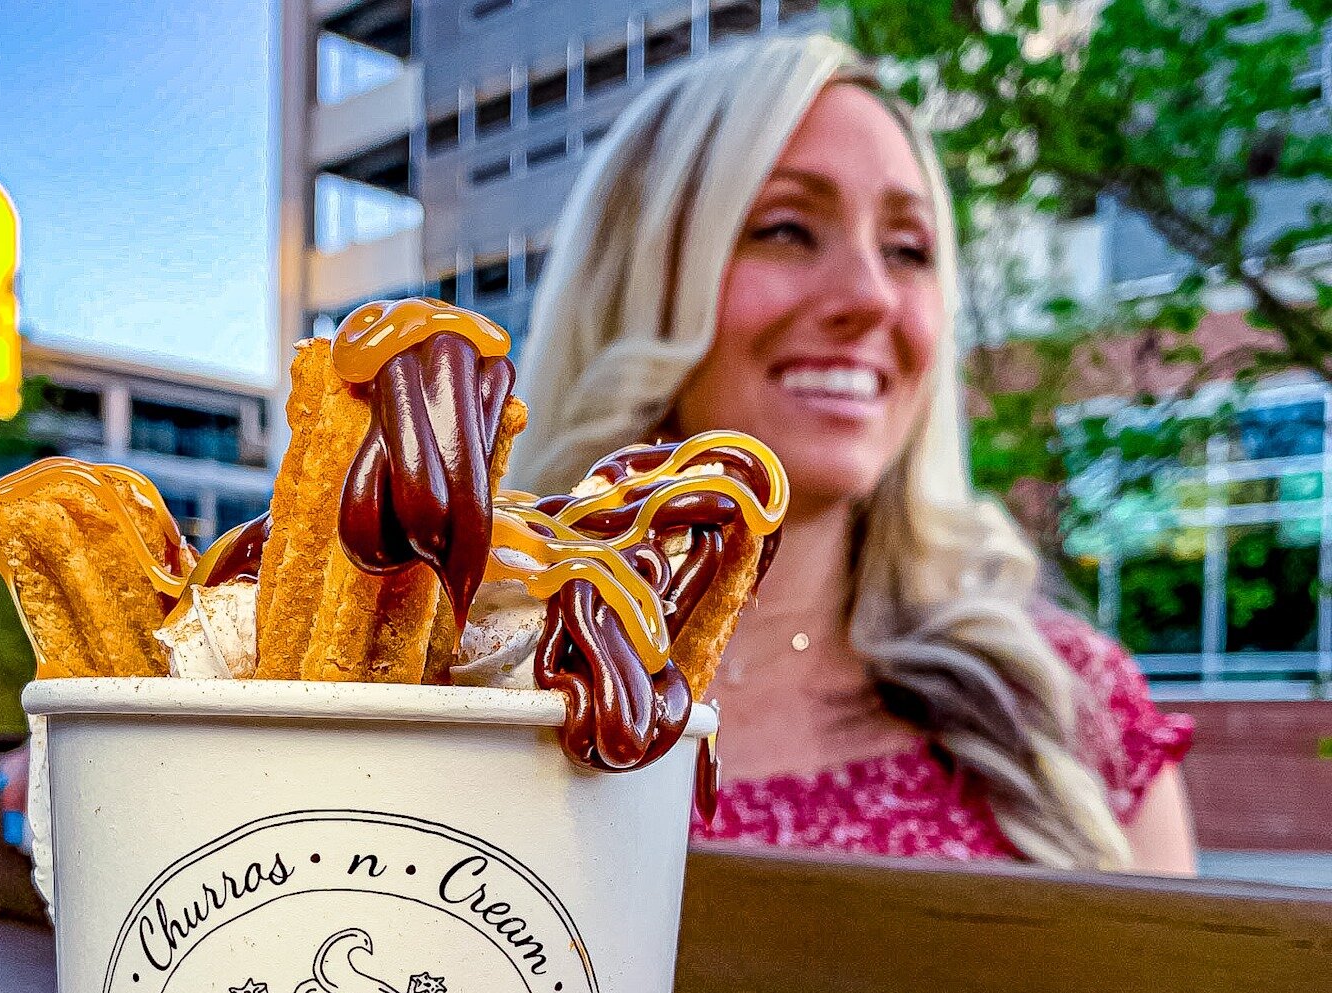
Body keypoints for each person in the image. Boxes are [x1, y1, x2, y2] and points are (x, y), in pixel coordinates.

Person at [511, 31, 1195, 874]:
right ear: (637, 285)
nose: (870, 296)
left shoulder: (1064, 705)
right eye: (788, 229)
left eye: (908, 250)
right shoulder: (472, 701)